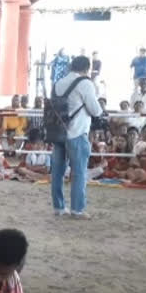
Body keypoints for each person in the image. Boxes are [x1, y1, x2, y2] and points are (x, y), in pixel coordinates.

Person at [50, 55, 103, 218]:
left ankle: (59, 207)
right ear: (87, 68)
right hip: (77, 132)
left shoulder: (58, 83)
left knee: (57, 172)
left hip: (58, 133)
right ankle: (77, 209)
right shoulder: (85, 83)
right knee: (79, 172)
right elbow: (96, 110)